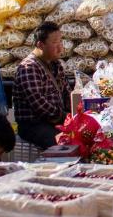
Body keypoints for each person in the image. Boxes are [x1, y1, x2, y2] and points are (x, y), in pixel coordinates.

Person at [14, 22, 71, 150]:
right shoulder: (29, 67)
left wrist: (75, 114)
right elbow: (40, 106)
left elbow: (67, 92)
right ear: (40, 44)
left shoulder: (56, 65)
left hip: (56, 120)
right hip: (35, 125)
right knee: (65, 145)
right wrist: (65, 117)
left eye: (61, 42)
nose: (60, 48)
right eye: (55, 43)